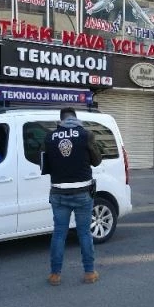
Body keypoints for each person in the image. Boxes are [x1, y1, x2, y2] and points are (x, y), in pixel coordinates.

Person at [41, 107, 102, 286]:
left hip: (59, 192)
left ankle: (55, 275)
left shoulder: (49, 137)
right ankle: (89, 273)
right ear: (75, 118)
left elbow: (43, 164)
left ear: (61, 120)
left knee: (59, 233)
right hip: (83, 192)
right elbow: (97, 160)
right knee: (84, 233)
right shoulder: (86, 135)